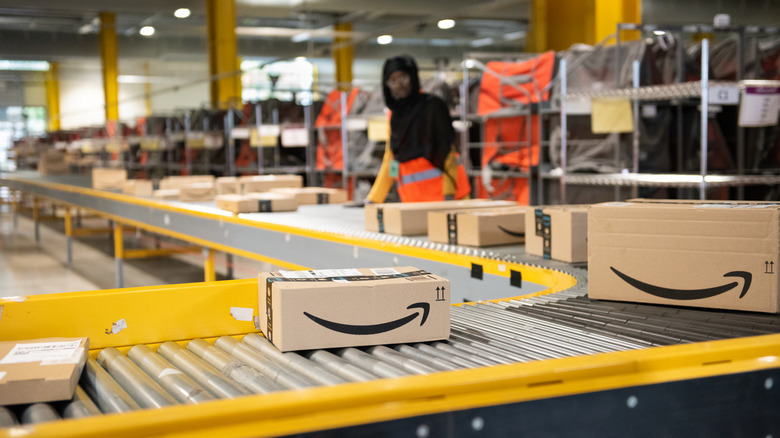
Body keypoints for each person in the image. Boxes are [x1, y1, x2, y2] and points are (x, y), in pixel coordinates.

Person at [365, 55, 470, 203]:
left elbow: (447, 153)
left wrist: (449, 195)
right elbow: (391, 158)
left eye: (403, 77)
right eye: (393, 80)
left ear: (412, 77)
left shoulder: (432, 106)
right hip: (414, 202)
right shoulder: (394, 115)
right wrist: (374, 198)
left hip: (448, 199)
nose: (399, 85)